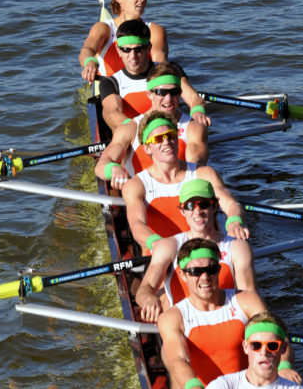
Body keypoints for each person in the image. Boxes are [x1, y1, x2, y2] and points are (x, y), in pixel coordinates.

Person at [156, 240, 267, 389]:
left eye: (211, 270)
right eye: (195, 272)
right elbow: (179, 360)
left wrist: (284, 367)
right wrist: (193, 386)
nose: (205, 277)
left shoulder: (247, 301)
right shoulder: (172, 318)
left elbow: (276, 338)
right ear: (183, 275)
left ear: (219, 270)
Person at [135, 179, 257, 320]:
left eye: (203, 205)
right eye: (190, 206)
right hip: (184, 325)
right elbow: (144, 289)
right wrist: (149, 300)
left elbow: (249, 297)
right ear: (182, 211)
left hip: (228, 320)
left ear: (215, 206)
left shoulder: (237, 247)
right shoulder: (168, 246)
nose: (197, 212)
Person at [122, 119, 248, 249]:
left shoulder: (203, 174)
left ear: (177, 138)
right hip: (164, 257)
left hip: (207, 254)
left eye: (171, 135)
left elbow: (231, 203)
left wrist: (234, 222)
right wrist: (157, 245)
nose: (166, 142)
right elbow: (137, 225)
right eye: (158, 139)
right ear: (147, 148)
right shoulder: (136, 185)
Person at [96, 63, 209, 191]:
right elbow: (101, 165)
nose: (168, 99)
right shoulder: (131, 128)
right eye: (162, 93)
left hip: (184, 192)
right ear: (150, 94)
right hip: (141, 197)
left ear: (180, 94)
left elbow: (195, 163)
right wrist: (113, 169)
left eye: (174, 92)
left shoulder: (193, 128)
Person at [98, 22, 208, 131]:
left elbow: (194, 98)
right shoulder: (111, 83)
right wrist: (139, 129)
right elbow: (113, 114)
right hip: (135, 138)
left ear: (148, 48)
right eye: (126, 49)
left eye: (138, 49)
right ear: (118, 51)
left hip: (171, 137)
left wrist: (197, 111)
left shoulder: (169, 71)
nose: (133, 56)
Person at [78, 0, 167, 81]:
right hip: (109, 87)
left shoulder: (155, 30)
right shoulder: (103, 28)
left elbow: (160, 62)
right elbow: (87, 49)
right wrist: (90, 63)